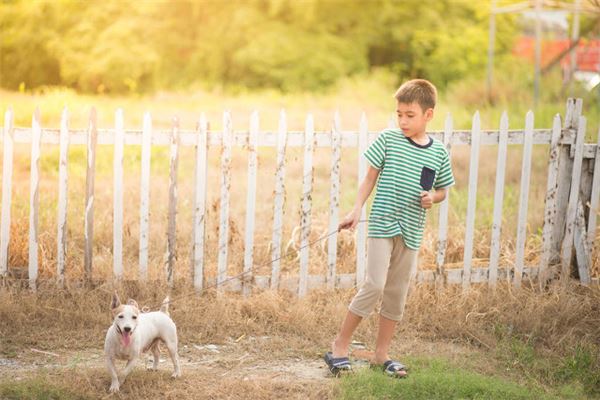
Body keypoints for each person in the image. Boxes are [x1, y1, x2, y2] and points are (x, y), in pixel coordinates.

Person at [324, 79, 455, 378]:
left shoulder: (438, 154)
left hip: (411, 229)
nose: (403, 120)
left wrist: (431, 198)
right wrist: (356, 209)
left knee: (396, 292)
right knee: (374, 285)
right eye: (399, 114)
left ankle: (380, 354)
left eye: (410, 115)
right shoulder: (388, 140)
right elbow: (369, 178)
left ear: (428, 115)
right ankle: (340, 345)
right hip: (382, 224)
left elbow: (443, 191)